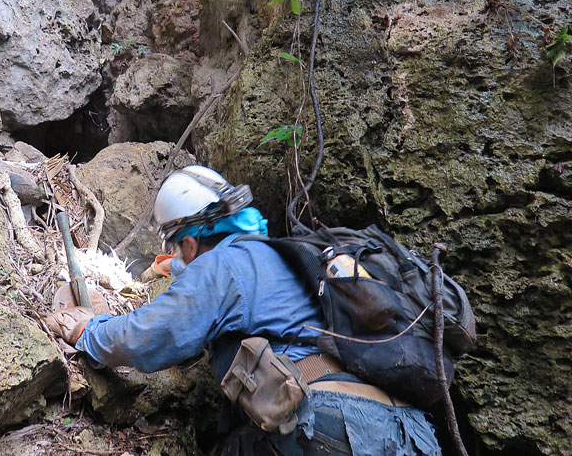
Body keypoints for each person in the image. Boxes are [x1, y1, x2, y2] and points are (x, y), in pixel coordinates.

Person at [47, 166, 442, 456]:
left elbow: (151, 336)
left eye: (176, 245)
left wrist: (89, 330)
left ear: (188, 241)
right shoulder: (282, 257)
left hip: (339, 428)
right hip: (414, 433)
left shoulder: (223, 266)